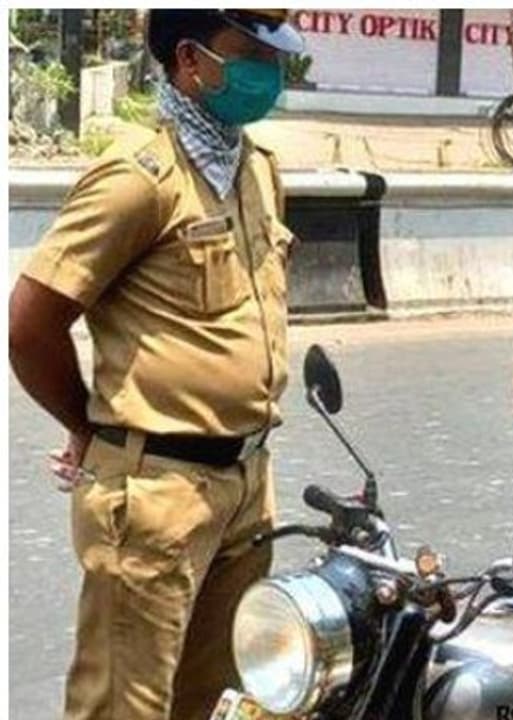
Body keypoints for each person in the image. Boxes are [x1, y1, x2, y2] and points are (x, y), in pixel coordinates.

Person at [8, 10, 303, 720]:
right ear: (191, 62)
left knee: (218, 701)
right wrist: (91, 427)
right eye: (250, 54)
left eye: (276, 54)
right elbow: (30, 324)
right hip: (156, 495)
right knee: (124, 707)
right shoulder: (137, 177)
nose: (269, 71)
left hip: (245, 485)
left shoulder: (257, 170)